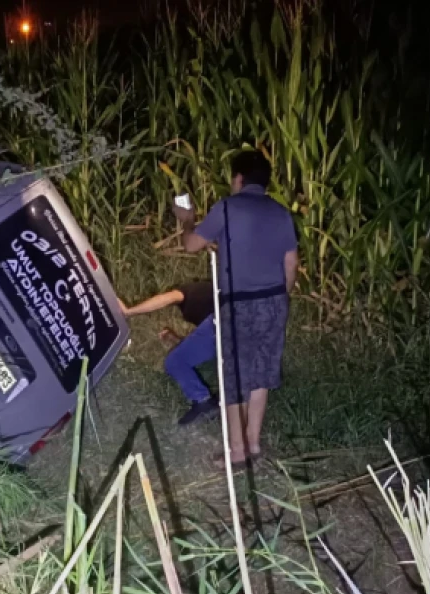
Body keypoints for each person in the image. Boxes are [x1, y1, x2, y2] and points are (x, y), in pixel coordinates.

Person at [177, 150, 299, 468]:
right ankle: (254, 443)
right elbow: (291, 263)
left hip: (239, 303)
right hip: (274, 300)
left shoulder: (228, 208)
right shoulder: (281, 213)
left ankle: (236, 451)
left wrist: (186, 220)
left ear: (239, 178)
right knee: (261, 374)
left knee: (233, 375)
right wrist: (279, 300)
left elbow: (191, 245)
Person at [119, 282, 220, 425]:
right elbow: (201, 343)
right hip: (238, 328)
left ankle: (203, 400)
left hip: (221, 322)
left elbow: (167, 298)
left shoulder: (190, 290)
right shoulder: (212, 293)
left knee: (174, 361)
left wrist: (130, 312)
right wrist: (177, 340)